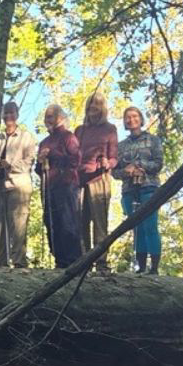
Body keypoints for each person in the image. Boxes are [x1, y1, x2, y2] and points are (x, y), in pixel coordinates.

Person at [113, 105, 165, 274]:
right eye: (127, 117)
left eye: (134, 116)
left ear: (141, 119)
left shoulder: (153, 140)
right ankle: (140, 267)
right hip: (129, 190)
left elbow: (158, 164)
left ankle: (154, 267)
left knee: (150, 225)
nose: (131, 120)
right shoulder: (120, 146)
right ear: (124, 122)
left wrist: (141, 166)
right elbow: (114, 172)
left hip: (149, 187)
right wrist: (126, 171)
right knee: (137, 227)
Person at [76, 91, 118, 273]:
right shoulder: (80, 130)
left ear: (102, 108)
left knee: (100, 222)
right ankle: (83, 261)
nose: (93, 107)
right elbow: (74, 153)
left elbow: (114, 157)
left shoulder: (109, 129)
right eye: (91, 103)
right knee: (81, 221)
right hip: (80, 180)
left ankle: (101, 261)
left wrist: (108, 163)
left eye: (97, 104)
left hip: (99, 179)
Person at [36, 103, 81, 268]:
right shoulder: (44, 142)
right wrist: (40, 161)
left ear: (60, 118)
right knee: (51, 223)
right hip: (49, 187)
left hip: (66, 185)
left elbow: (75, 160)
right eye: (46, 117)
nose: (47, 120)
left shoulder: (69, 137)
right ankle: (59, 260)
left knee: (67, 223)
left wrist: (54, 154)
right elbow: (38, 170)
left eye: (51, 117)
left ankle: (73, 261)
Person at [0, 101, 35, 268]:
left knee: (18, 225)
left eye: (11, 113)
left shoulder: (26, 137)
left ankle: (19, 261)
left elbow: (29, 161)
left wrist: (11, 165)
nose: (8, 116)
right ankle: (1, 260)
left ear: (17, 115)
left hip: (19, 185)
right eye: (6, 113)